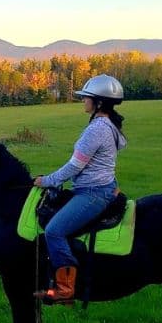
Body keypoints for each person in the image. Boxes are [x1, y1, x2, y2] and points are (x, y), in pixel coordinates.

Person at [33, 74, 127, 303]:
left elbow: (75, 166)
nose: (83, 101)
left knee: (54, 231)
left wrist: (47, 180)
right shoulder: (109, 126)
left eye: (87, 98)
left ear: (99, 103)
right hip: (101, 187)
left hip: (93, 193)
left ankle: (65, 290)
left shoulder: (97, 129)